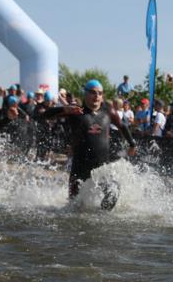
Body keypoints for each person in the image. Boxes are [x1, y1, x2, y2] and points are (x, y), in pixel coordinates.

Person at [41, 79, 137, 208]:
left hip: (101, 168)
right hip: (80, 168)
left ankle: (101, 221)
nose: (96, 96)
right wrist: (64, 108)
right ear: (85, 94)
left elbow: (122, 126)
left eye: (100, 93)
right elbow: (44, 116)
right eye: (92, 92)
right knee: (74, 207)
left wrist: (132, 144)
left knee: (113, 191)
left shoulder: (108, 112)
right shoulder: (76, 111)